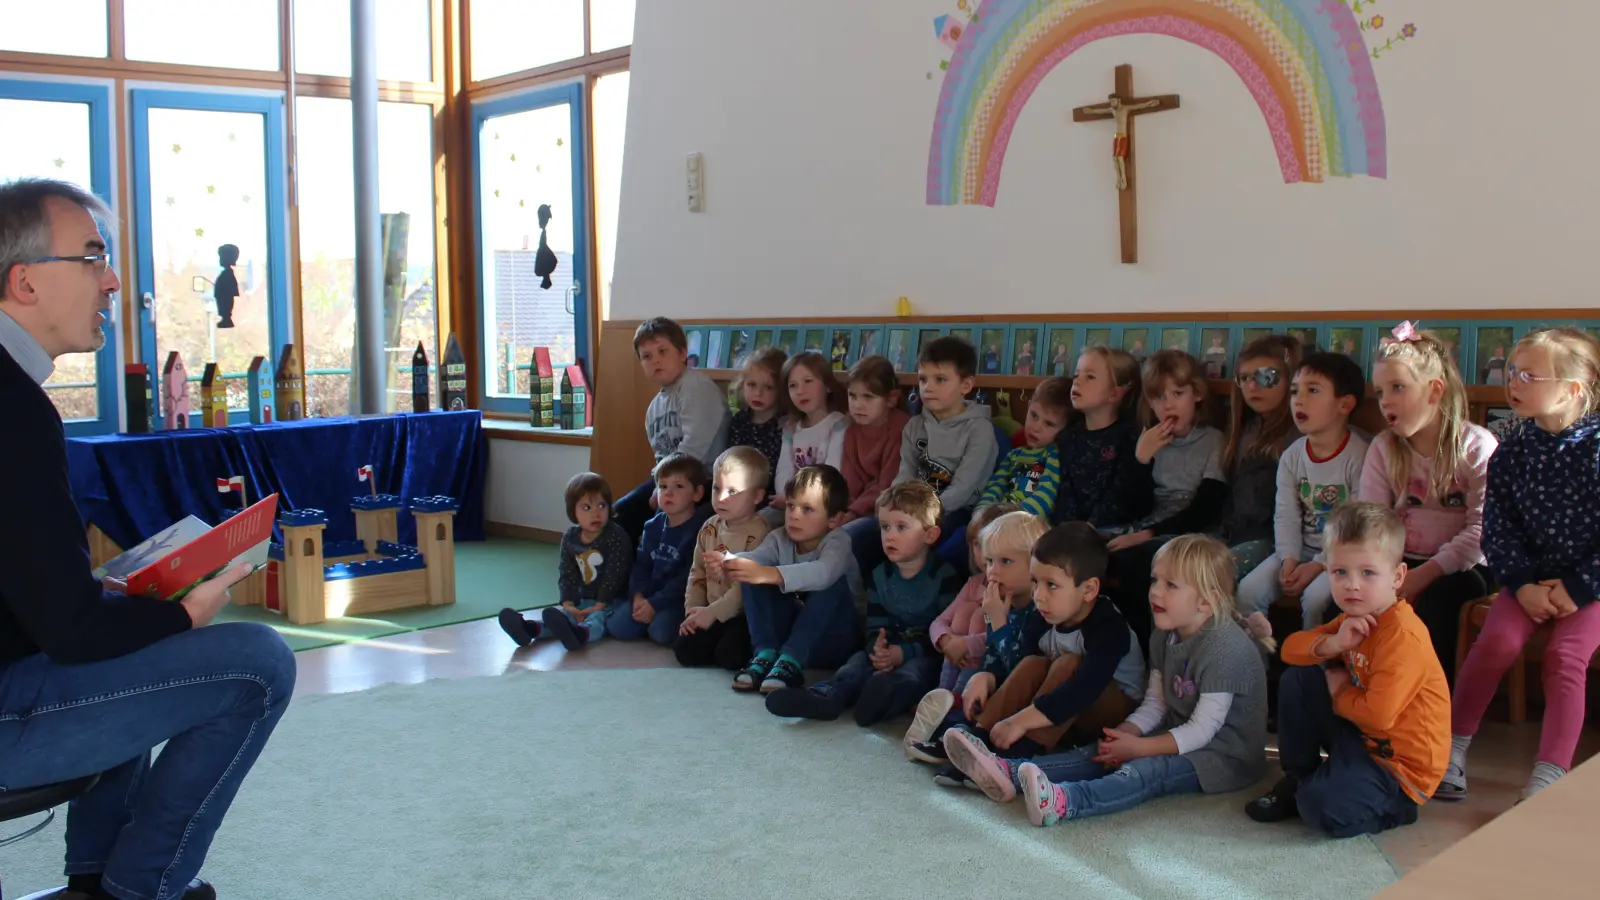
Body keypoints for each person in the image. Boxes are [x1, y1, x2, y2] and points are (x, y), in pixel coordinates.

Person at [0, 177, 296, 900]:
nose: (113, 281)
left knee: (130, 632)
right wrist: (179, 611)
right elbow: (72, 633)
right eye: (93, 258)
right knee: (259, 664)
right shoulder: (13, 410)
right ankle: (141, 889)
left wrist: (118, 601)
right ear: (24, 281)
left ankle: (96, 880)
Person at [977, 536, 1271, 827]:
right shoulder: (1163, 634)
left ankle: (1067, 801)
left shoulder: (1224, 649)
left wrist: (1140, 748)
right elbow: (1156, 703)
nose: (1155, 592)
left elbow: (1204, 730)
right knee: (1103, 750)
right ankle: (1009, 771)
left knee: (1146, 770)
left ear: (1207, 601)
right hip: (1177, 729)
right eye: (1155, 580)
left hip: (1223, 755)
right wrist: (1124, 734)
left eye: (1171, 585)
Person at [1445, 327, 1600, 803]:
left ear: (1573, 389)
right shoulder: (1512, 447)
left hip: (1590, 587)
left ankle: (1549, 774)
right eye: (1512, 371)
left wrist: (1576, 588)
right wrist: (1522, 583)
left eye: (1529, 375)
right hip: (1527, 580)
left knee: (1564, 658)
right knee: (1495, 641)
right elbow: (1499, 526)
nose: (1514, 381)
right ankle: (1450, 748)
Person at [1248, 502, 1450, 837]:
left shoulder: (1402, 636)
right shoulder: (1354, 617)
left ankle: (1397, 807)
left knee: (1318, 809)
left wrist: (1340, 690)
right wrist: (1333, 645)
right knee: (1300, 676)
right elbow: (1290, 650)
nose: (1352, 585)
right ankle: (1300, 778)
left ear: (1397, 577)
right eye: (1340, 572)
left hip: (1399, 766)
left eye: (1368, 573)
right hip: (1362, 738)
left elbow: (1378, 716)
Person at [940, 522, 1146, 797]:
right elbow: (1018, 667)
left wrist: (1020, 722)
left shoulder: (1108, 626)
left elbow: (1083, 689)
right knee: (1032, 663)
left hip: (1109, 712)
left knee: (1068, 663)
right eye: (1035, 582)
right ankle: (981, 739)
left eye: (1051, 585)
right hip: (1060, 713)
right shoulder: (1042, 616)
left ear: (1089, 590)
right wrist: (986, 674)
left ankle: (1019, 753)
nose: (1039, 596)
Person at [765, 481, 961, 724]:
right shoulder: (879, 575)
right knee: (856, 664)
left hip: (923, 654)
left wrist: (903, 653)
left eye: (901, 527)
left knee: (916, 673)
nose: (890, 535)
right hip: (887, 650)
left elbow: (943, 634)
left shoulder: (945, 576)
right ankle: (826, 696)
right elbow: (874, 625)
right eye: (885, 527)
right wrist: (877, 649)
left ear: (930, 534)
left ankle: (882, 701)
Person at [1362, 322, 1498, 672]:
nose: (1385, 401)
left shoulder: (1477, 446)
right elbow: (1374, 522)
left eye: (1397, 388)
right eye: (1379, 392)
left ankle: (1429, 708)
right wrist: (1385, 575)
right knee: (1351, 603)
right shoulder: (1383, 448)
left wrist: (1424, 576)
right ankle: (1366, 700)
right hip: (1400, 562)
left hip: (1464, 567)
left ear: (1434, 391)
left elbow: (1483, 532)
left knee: (1438, 606)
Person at [1103, 350, 1226, 647]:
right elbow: (1130, 507)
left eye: (1177, 393)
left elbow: (1206, 508)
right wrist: (1141, 461)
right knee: (1080, 546)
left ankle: (1144, 651)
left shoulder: (1214, 441)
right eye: (1158, 396)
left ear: (1196, 394)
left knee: (1132, 561)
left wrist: (1146, 535)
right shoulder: (1149, 438)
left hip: (1189, 533)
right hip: (1145, 524)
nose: (1168, 403)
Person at [1238, 352, 1370, 627]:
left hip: (1343, 554)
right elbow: (1286, 514)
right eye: (1295, 391)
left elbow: (1360, 524)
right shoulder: (1292, 455)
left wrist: (1321, 564)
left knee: (1315, 599)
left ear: (1344, 404)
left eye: (1313, 391)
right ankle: (1254, 666)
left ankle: (1316, 667)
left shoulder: (1360, 455)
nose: (1299, 399)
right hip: (1299, 550)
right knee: (1248, 592)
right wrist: (1289, 558)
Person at [719, 465, 864, 693]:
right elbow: (759, 557)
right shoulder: (779, 537)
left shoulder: (838, 542)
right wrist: (730, 560)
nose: (794, 515)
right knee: (752, 571)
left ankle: (791, 661)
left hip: (834, 638)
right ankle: (765, 653)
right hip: (791, 632)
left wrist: (771, 574)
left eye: (807, 509)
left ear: (834, 519)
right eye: (791, 506)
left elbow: (823, 572)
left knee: (831, 582)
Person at [903, 503, 1016, 760]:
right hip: (957, 660)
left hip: (990, 673)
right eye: (977, 544)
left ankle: (956, 705)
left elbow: (1004, 637)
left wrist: (966, 644)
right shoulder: (974, 583)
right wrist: (946, 641)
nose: (983, 553)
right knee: (965, 612)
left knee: (976, 615)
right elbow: (939, 622)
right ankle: (942, 696)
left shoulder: (1012, 593)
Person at [613, 317, 730, 543]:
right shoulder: (653, 409)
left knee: (661, 519)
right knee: (622, 511)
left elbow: (695, 449)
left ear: (683, 353)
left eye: (662, 351)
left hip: (705, 480)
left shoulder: (696, 387)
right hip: (670, 480)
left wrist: (664, 488)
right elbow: (661, 455)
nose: (655, 360)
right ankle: (626, 575)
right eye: (647, 356)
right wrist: (661, 484)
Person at [894, 336, 999, 570]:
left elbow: (963, 488)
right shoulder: (914, 426)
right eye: (923, 379)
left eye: (940, 379)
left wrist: (922, 515)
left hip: (957, 510)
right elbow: (905, 472)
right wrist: (894, 503)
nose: (928, 387)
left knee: (935, 549)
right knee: (868, 537)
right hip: (914, 509)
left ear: (966, 385)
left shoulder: (980, 429)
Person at [497, 472, 632, 649]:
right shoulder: (570, 537)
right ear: (573, 511)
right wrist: (568, 603)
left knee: (598, 619)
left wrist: (599, 604)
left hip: (611, 601)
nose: (596, 513)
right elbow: (567, 572)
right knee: (563, 619)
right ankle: (529, 629)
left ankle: (581, 635)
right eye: (586, 508)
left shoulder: (616, 536)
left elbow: (614, 575)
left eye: (601, 505)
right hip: (582, 600)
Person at [675, 448, 773, 669]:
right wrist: (693, 610)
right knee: (685, 651)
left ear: (757, 496)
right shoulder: (710, 526)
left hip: (742, 616)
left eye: (732, 491)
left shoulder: (759, 532)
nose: (720, 498)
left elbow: (745, 587)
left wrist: (713, 613)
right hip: (711, 610)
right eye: (716, 488)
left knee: (730, 657)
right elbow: (697, 571)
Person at [1217, 334, 1303, 583]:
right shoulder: (1243, 431)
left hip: (1272, 541)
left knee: (1203, 575)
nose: (1252, 387)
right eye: (1244, 378)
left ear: (1290, 379)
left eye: (1267, 376)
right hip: (1232, 533)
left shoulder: (1299, 435)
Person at [1050, 346, 1152, 533]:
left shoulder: (1130, 436)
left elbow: (1124, 494)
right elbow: (1064, 492)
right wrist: (1067, 530)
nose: (1077, 382)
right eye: (1076, 375)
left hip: (1115, 529)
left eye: (1090, 377)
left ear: (1115, 393)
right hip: (1071, 533)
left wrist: (1091, 526)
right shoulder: (1067, 437)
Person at [614, 453, 711, 646]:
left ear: (697, 493)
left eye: (678, 486)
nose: (668, 493)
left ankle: (656, 619)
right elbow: (641, 565)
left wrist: (655, 604)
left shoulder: (700, 531)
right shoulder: (652, 526)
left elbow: (686, 579)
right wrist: (639, 595)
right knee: (618, 627)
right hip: (650, 594)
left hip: (676, 600)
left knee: (660, 632)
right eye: (663, 486)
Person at [839, 355, 909, 563]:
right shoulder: (852, 431)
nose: (858, 405)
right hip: (857, 508)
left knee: (845, 538)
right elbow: (849, 479)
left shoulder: (902, 429)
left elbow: (887, 484)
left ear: (891, 398)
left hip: (889, 508)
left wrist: (851, 513)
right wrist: (841, 511)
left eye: (868, 397)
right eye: (853, 396)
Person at [767, 350, 848, 521]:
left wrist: (798, 501)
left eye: (808, 381)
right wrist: (787, 496)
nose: (800, 391)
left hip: (822, 503)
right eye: (793, 385)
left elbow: (833, 471)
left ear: (827, 385)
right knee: (760, 521)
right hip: (791, 502)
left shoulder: (838, 424)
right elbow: (784, 469)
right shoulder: (790, 428)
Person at [975, 377, 1070, 520]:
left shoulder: (1053, 456)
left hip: (1027, 524)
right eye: (1033, 415)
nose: (1036, 427)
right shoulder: (1013, 455)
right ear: (1029, 406)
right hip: (998, 522)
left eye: (1049, 424)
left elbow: (1045, 497)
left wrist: (1014, 517)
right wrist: (981, 513)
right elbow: (995, 486)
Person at [727, 347, 787, 498]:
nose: (758, 393)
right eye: (752, 385)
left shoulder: (785, 424)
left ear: (781, 390)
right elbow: (730, 462)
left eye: (768, 387)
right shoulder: (739, 421)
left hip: (770, 496)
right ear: (742, 385)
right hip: (737, 493)